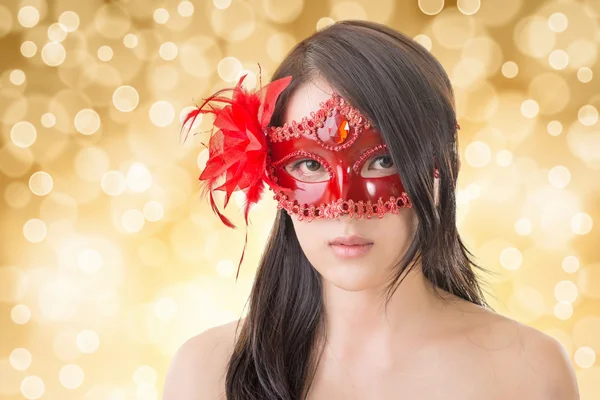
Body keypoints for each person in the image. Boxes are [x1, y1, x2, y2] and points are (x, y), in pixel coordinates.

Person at [163, 20, 579, 400]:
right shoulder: (205, 373)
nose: (345, 207)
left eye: (383, 161)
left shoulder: (528, 372)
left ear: (444, 166)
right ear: (270, 171)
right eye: (309, 164)